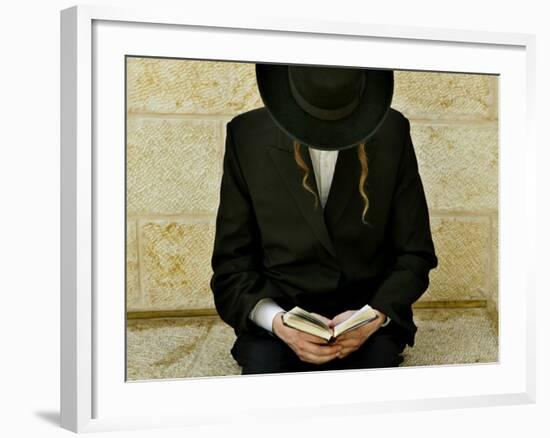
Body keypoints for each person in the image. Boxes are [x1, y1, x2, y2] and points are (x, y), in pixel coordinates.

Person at [210, 63, 438, 375]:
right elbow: (231, 265)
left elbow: (415, 254)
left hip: (366, 316)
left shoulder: (392, 132)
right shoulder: (247, 136)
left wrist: (374, 315)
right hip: (278, 318)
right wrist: (278, 322)